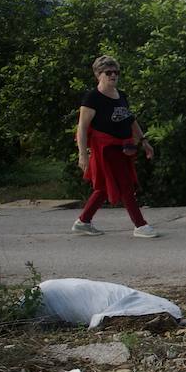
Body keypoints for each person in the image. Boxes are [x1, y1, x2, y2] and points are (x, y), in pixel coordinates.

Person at [72, 55, 159, 238]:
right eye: (108, 72)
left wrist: (144, 142)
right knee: (125, 184)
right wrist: (83, 154)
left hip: (124, 147)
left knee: (104, 187)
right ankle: (140, 225)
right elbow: (82, 127)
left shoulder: (122, 95)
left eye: (116, 72)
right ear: (98, 74)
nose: (113, 75)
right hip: (106, 149)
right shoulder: (92, 97)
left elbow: (131, 121)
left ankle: (83, 221)